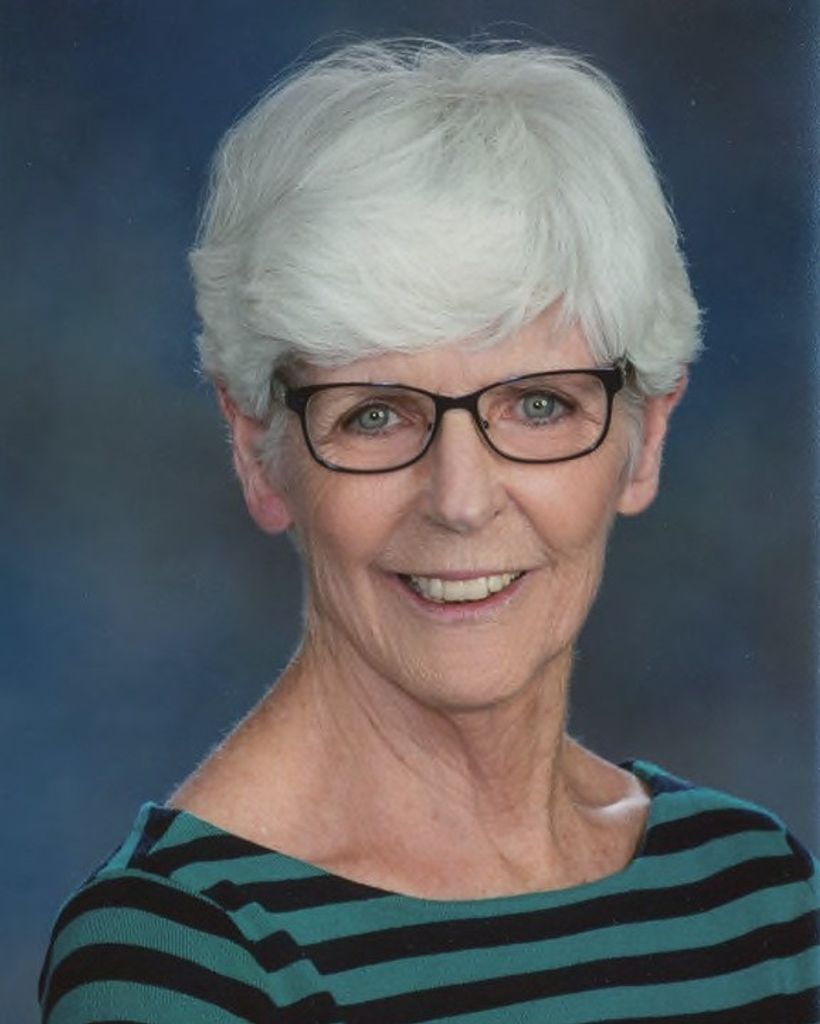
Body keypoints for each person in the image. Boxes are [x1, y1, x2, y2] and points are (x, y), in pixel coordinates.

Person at [39, 38, 819, 1023]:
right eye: (376, 413)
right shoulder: (178, 956)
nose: (459, 498)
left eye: (538, 405)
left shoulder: (751, 891)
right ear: (258, 451)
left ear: (646, 438)